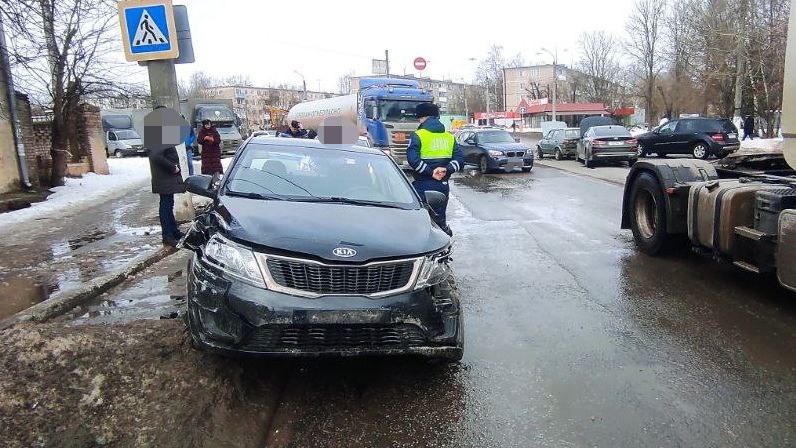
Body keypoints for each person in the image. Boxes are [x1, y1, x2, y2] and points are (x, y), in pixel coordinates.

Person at [406, 102, 464, 236]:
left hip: (422, 184)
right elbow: (460, 159)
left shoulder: (418, 135)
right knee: (440, 219)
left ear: (423, 118)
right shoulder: (449, 137)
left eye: (419, 118)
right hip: (443, 185)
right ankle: (444, 246)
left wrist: (431, 172)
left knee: (422, 221)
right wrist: (446, 170)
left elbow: (413, 160)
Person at [148, 138, 186, 247]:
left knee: (168, 205)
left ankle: (173, 231)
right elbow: (155, 156)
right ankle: (167, 235)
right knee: (166, 206)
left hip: (165, 179)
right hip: (164, 179)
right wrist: (172, 167)